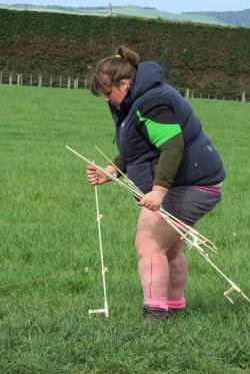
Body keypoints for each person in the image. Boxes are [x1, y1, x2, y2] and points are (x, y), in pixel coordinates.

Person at [87, 45, 225, 320]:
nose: (106, 100)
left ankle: (154, 314)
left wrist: (159, 191)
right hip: (194, 183)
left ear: (124, 84)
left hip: (191, 184)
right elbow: (140, 148)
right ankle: (173, 306)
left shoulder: (151, 102)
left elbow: (172, 147)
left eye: (108, 93)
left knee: (149, 244)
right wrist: (111, 171)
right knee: (169, 249)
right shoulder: (136, 100)